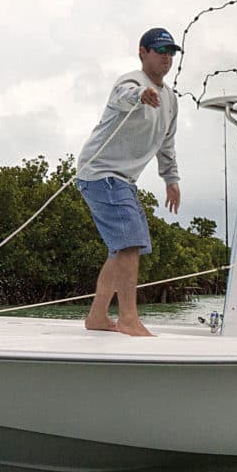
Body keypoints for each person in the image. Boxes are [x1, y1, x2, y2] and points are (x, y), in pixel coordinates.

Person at [76, 27, 182, 336]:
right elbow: (124, 96)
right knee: (131, 241)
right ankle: (127, 318)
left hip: (119, 179)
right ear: (143, 52)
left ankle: (97, 317)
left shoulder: (171, 100)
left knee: (120, 248)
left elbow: (167, 144)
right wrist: (140, 95)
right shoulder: (132, 82)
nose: (166, 56)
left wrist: (171, 180)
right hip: (101, 172)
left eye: (171, 52)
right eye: (160, 50)